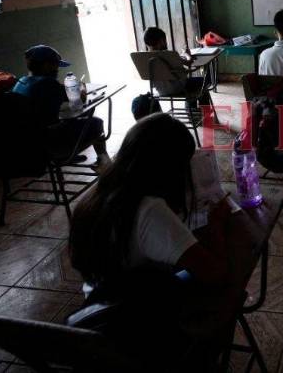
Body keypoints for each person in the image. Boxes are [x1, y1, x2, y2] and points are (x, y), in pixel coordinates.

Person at [68, 113, 230, 365]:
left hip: (99, 308)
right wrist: (217, 223)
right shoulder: (149, 210)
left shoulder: (96, 196)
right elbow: (214, 273)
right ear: (169, 168)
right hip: (134, 331)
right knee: (227, 287)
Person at [12, 44, 110, 169]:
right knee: (96, 122)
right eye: (56, 65)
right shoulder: (48, 84)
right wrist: (82, 89)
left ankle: (67, 156)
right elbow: (79, 100)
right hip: (50, 144)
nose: (58, 69)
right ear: (47, 65)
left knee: (70, 119)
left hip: (27, 145)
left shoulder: (21, 83)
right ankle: (104, 161)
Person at [143, 26, 208, 109]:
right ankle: (202, 113)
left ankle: (192, 111)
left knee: (192, 86)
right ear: (161, 41)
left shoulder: (143, 58)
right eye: (164, 40)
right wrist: (186, 54)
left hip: (160, 91)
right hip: (178, 88)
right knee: (203, 81)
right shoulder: (169, 54)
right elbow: (189, 62)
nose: (166, 42)